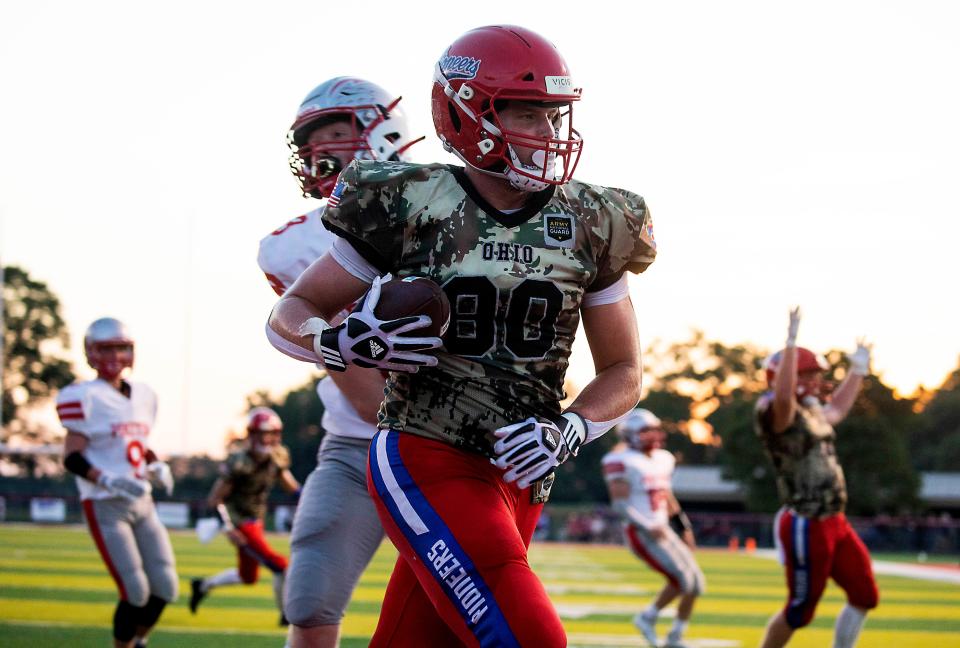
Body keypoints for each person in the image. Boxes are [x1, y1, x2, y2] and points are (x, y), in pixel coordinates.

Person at [267, 24, 656, 647]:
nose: (547, 135)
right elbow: (295, 308)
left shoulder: (599, 218)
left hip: (524, 469)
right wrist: (339, 344)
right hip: (426, 452)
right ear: (467, 113)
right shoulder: (410, 200)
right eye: (525, 114)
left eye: (553, 117)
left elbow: (624, 372)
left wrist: (572, 426)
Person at [258, 76, 421, 648]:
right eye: (310, 141)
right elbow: (344, 367)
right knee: (309, 596)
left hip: (458, 442)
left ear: (386, 131)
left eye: (333, 133)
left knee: (463, 609)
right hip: (359, 441)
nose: (318, 151)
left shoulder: (456, 214)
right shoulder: (295, 243)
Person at [755, 307, 879, 648]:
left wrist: (858, 370)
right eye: (805, 375)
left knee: (864, 594)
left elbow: (837, 408)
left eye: (814, 375)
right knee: (800, 610)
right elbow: (783, 399)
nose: (813, 381)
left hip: (834, 520)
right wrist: (791, 343)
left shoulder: (812, 412)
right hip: (805, 521)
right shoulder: (773, 410)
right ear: (781, 375)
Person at [57, 317, 177, 648]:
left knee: (166, 586)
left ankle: (138, 641)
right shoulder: (83, 396)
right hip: (105, 503)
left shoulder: (144, 394)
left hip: (142, 500)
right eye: (106, 348)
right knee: (135, 590)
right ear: (90, 353)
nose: (115, 355)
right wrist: (108, 479)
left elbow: (136, 443)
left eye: (121, 347)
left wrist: (156, 465)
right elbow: (72, 456)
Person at [189, 407, 301, 626]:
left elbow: (291, 486)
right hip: (239, 521)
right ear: (251, 434)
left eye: (268, 433)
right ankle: (287, 615)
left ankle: (202, 585)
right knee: (280, 565)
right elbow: (215, 499)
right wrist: (229, 528)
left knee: (248, 577)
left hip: (255, 520)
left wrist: (312, 497)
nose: (264, 439)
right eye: (259, 433)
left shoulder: (277, 456)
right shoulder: (239, 461)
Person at [602, 409, 705, 648]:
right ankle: (647, 618)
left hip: (663, 529)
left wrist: (684, 527)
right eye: (645, 431)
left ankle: (675, 636)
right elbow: (619, 505)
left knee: (697, 585)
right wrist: (647, 526)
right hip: (641, 532)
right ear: (629, 435)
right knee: (683, 581)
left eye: (654, 429)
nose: (652, 435)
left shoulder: (663, 458)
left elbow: (667, 497)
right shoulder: (620, 460)